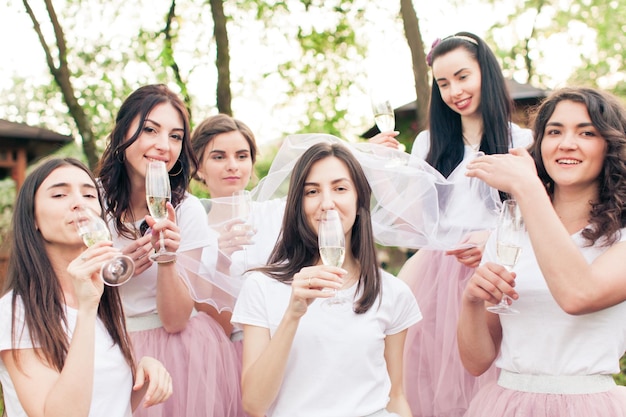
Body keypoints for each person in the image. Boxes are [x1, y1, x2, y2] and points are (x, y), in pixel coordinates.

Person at [458, 87, 626, 416]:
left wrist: (528, 187)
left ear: (609, 145)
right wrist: (471, 302)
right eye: (554, 131)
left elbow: (579, 294)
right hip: (506, 404)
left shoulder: (621, 238)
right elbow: (477, 362)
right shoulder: (509, 232)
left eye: (586, 132)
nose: (566, 143)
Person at [397, 32, 533, 417]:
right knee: (433, 377)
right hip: (436, 276)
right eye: (443, 83)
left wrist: (492, 237)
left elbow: (536, 216)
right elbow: (416, 223)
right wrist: (392, 170)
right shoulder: (428, 144)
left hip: (497, 272)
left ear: (484, 74)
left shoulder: (521, 140)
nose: (455, 90)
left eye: (462, 76)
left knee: (491, 375)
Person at [231, 141, 422, 417]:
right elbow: (254, 403)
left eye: (340, 188)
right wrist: (292, 315)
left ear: (359, 202)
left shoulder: (392, 292)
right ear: (298, 204)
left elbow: (396, 396)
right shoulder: (261, 287)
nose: (327, 203)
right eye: (312, 191)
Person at [96, 84, 244, 417]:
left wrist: (166, 260)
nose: (164, 146)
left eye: (176, 136)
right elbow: (66, 293)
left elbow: (176, 320)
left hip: (179, 352)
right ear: (122, 134)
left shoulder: (187, 210)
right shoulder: (93, 201)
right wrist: (112, 273)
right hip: (109, 345)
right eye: (150, 130)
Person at [0, 157, 172, 417]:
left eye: (89, 194)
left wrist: (143, 373)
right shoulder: (15, 311)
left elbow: (109, 406)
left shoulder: (105, 296)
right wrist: (87, 309)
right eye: (59, 194)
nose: (79, 202)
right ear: (32, 218)